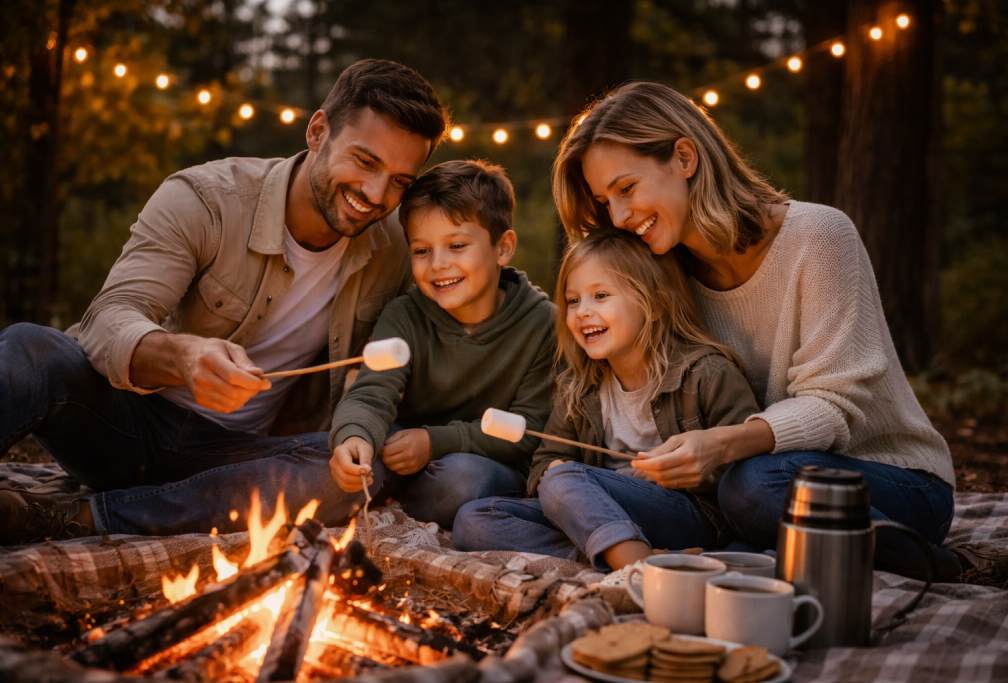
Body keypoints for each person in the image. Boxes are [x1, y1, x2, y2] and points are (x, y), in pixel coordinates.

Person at [0, 59, 449, 543]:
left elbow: (472, 288)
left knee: (363, 466)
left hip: (237, 460)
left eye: (400, 181)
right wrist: (185, 357)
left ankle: (82, 519)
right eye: (365, 161)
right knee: (31, 349)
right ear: (318, 130)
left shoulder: (396, 247)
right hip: (124, 424)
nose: (377, 194)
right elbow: (108, 320)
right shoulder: (207, 198)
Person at [548, 80, 964, 580]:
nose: (618, 216)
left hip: (890, 480)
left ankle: (941, 566)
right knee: (734, 498)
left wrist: (724, 444)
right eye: (604, 201)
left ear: (684, 158)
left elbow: (833, 407)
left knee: (751, 486)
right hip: (749, 485)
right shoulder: (667, 278)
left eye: (627, 189)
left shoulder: (820, 237)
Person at [453, 229, 760, 570]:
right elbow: (547, 460)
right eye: (573, 301)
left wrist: (694, 472)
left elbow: (746, 477)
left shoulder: (706, 374)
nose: (582, 311)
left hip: (683, 514)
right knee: (474, 519)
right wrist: (551, 472)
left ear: (654, 305)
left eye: (600, 295)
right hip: (597, 513)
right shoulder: (579, 387)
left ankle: (636, 570)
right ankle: (632, 556)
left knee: (562, 480)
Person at [330, 159, 556, 528]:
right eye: (421, 251)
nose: (438, 264)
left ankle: (392, 502)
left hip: (480, 464)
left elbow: (529, 429)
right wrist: (354, 435)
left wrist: (435, 442)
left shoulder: (543, 324)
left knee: (464, 480)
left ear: (503, 248)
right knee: (342, 459)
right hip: (400, 451)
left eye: (456, 245)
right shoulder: (404, 315)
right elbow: (371, 394)